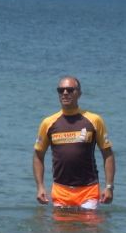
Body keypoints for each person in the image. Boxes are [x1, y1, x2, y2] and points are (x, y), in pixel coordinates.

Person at [33, 76, 115, 212]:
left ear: (79, 94)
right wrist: (40, 186)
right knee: (62, 232)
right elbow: (38, 155)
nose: (65, 93)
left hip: (88, 190)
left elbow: (108, 154)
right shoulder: (48, 123)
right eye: (61, 90)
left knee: (90, 231)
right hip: (60, 191)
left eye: (70, 90)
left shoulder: (94, 120)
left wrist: (109, 187)